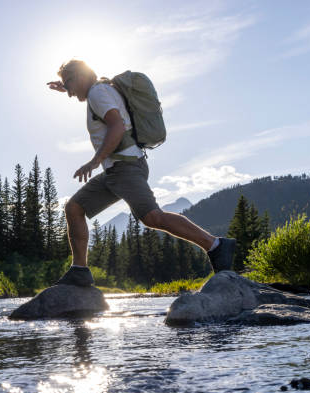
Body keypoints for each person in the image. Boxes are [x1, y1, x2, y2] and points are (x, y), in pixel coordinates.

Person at [47, 59, 235, 286]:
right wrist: (64, 85)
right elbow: (100, 107)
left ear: (80, 76)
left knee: (152, 217)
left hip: (126, 168)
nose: (68, 93)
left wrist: (95, 160)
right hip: (117, 169)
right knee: (74, 208)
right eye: (65, 88)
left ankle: (215, 245)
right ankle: (79, 270)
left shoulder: (98, 94)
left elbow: (116, 126)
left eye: (69, 86)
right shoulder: (101, 90)